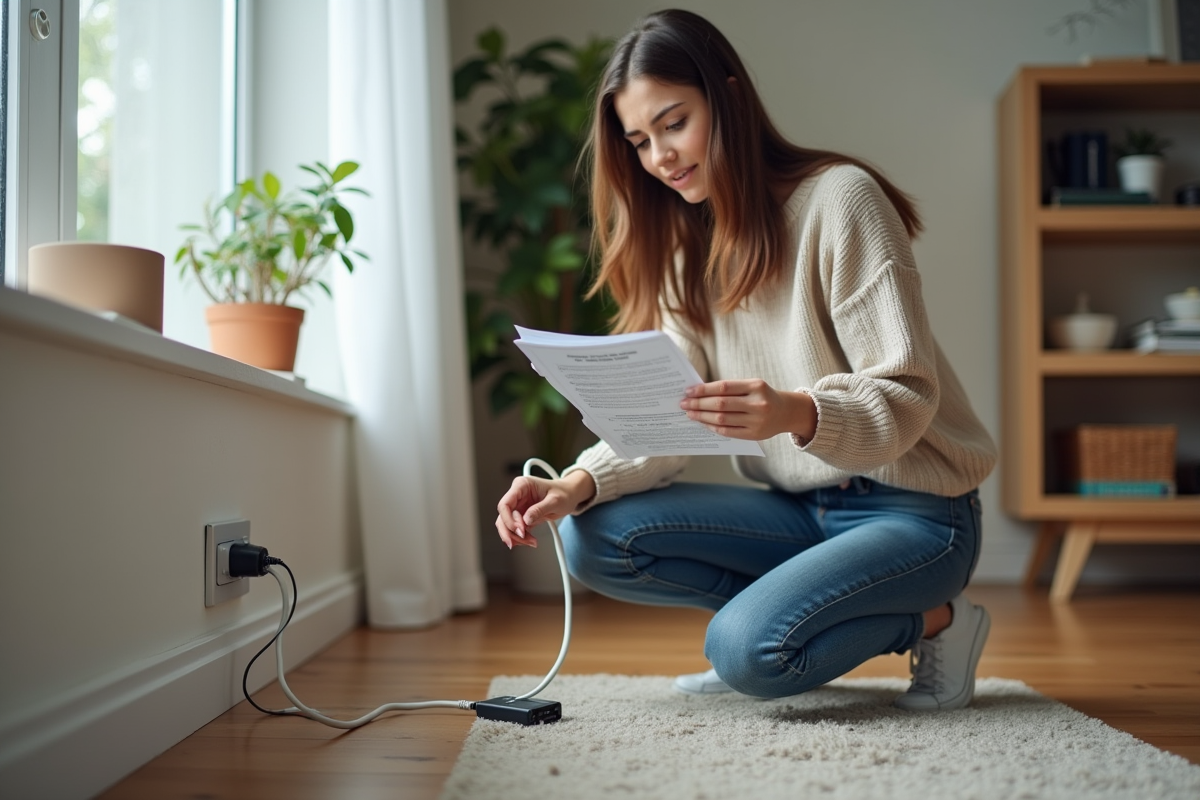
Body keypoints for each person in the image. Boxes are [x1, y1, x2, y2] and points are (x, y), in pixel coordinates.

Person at [494, 8, 997, 710]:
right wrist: (575, 483)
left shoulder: (842, 200)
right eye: (639, 141)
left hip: (918, 514)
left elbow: (909, 396)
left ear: (726, 97)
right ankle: (768, 623)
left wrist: (797, 411)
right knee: (590, 535)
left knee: (747, 654)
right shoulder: (683, 248)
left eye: (674, 123)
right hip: (798, 507)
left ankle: (937, 622)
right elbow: (663, 423)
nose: (660, 157)